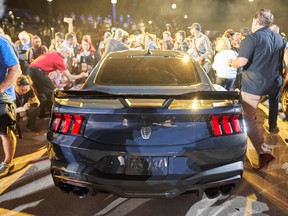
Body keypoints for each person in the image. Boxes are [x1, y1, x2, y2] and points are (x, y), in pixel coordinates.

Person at [228, 9, 284, 170]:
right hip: (273, 83)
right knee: (253, 116)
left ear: (255, 21)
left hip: (254, 85)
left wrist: (231, 62)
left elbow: (241, 62)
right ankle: (266, 132)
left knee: (248, 118)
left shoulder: (252, 38)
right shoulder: (278, 37)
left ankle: (263, 152)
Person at [26, 44, 88, 118]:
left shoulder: (53, 53)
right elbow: (70, 78)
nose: (68, 55)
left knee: (41, 94)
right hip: (37, 71)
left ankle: (41, 115)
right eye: (67, 53)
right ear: (62, 52)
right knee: (53, 91)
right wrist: (82, 75)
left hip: (31, 70)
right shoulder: (59, 59)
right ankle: (54, 113)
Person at [0, 35, 22, 178]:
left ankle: (8, 162)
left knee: (4, 132)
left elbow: (16, 70)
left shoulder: (1, 42)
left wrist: (0, 89)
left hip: (3, 97)